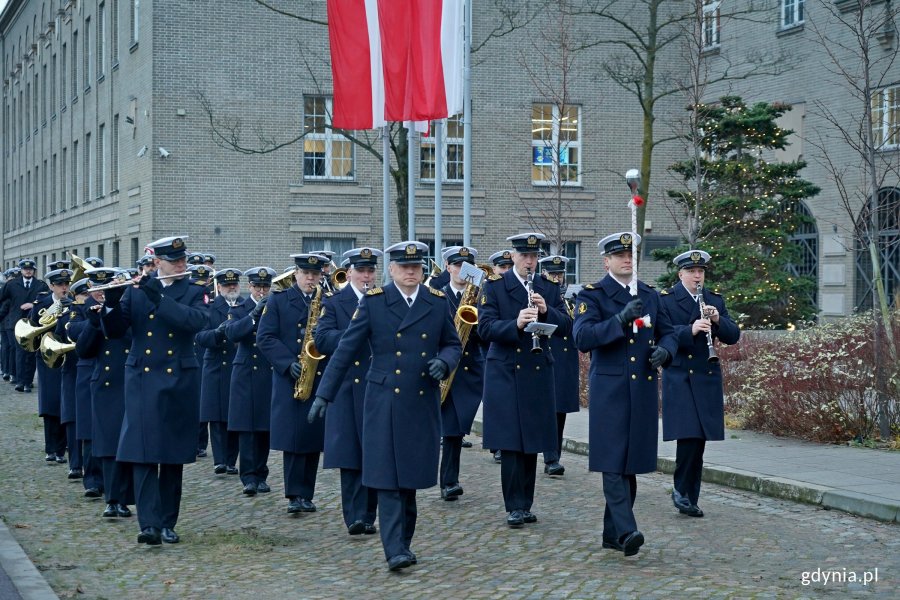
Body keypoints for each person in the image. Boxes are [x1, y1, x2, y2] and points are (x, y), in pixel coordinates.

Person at [310, 241, 461, 571]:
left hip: (420, 402)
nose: (410, 272)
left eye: (416, 267)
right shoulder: (375, 302)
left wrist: (444, 362)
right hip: (382, 401)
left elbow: (453, 344)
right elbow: (346, 349)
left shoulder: (436, 302)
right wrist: (324, 394)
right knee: (388, 479)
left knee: (409, 482)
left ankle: (403, 543)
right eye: (404, 267)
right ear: (391, 270)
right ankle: (394, 550)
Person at [572, 232, 678, 557]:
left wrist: (666, 351)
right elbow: (582, 337)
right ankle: (627, 529)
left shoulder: (649, 295)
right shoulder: (592, 295)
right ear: (607, 261)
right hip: (610, 389)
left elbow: (670, 333)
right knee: (612, 460)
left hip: (641, 389)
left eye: (631, 254)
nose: (627, 260)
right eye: (620, 255)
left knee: (630, 462)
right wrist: (618, 319)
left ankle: (611, 534)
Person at [101, 236, 208, 545]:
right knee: (143, 452)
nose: (182, 264)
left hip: (178, 380)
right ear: (157, 262)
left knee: (171, 455)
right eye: (175, 261)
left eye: (182, 260)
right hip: (142, 379)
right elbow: (116, 331)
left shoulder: (194, 290)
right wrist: (111, 303)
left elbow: (194, 322)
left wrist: (158, 296)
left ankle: (167, 522)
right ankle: (149, 525)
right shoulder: (135, 291)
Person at [478, 233, 572, 529]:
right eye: (524, 256)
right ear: (514, 256)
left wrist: (546, 311)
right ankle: (514, 506)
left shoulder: (548, 287)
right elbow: (484, 328)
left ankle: (526, 504)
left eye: (534, 257)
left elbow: (567, 326)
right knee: (510, 442)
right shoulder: (495, 286)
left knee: (532, 440)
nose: (530, 261)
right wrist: (515, 324)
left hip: (537, 370)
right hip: (505, 371)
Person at [659, 250, 741, 518]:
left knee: (699, 439)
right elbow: (660, 334)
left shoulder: (714, 299)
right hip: (680, 376)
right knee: (688, 435)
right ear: (680, 274)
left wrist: (717, 320)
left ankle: (689, 497)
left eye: (701, 272)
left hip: (706, 376)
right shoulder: (666, 300)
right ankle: (681, 491)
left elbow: (733, 336)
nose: (697, 276)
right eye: (692, 272)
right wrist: (690, 330)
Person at [314, 247, 382, 534]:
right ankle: (354, 516)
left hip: (375, 384)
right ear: (350, 272)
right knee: (350, 454)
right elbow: (321, 338)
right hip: (345, 386)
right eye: (361, 271)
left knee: (374, 452)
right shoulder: (335, 302)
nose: (366, 276)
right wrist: (355, 333)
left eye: (370, 271)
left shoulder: (381, 300)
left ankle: (369, 515)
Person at [256, 254, 329, 514]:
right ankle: (294, 494)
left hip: (317, 375)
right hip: (291, 377)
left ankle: (307, 494)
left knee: (312, 438)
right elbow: (265, 337)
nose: (310, 278)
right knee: (294, 439)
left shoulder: (326, 300)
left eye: (315, 274)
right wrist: (287, 363)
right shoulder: (278, 300)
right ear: (296, 274)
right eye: (306, 273)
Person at [74, 268, 134, 517]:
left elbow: (130, 337)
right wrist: (93, 323)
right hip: (105, 385)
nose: (101, 294)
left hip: (129, 382)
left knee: (128, 444)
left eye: (105, 289)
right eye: (97, 290)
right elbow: (83, 350)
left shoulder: (127, 309)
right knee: (107, 444)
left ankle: (125, 498)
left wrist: (110, 315)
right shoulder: (91, 313)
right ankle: (111, 498)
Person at [436, 246, 487, 501]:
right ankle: (448, 481)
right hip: (444, 370)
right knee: (450, 430)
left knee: (457, 428)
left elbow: (487, 335)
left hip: (469, 371)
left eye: (467, 267)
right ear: (448, 267)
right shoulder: (438, 296)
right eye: (457, 266)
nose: (462, 271)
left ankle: (448, 479)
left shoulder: (479, 298)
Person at [225, 267, 276, 496]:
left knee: (264, 428)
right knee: (246, 428)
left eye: (265, 286)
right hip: (245, 372)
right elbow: (232, 334)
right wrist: (253, 316)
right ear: (250, 287)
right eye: (258, 286)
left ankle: (261, 474)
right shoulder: (239, 309)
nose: (262, 290)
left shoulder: (274, 308)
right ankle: (248, 477)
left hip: (267, 370)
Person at [196, 268, 243, 477]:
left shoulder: (245, 306)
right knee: (217, 417)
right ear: (219, 287)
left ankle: (231, 460)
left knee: (235, 416)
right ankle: (220, 460)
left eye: (234, 284)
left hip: (238, 365)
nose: (231, 288)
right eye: (227, 285)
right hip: (216, 365)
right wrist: (217, 333)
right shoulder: (212, 308)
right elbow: (200, 337)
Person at [539, 255, 581, 477]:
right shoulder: (542, 295)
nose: (557, 278)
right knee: (549, 409)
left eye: (560, 274)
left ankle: (555, 455)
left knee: (560, 410)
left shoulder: (572, 297)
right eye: (552, 274)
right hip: (550, 354)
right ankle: (551, 458)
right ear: (544, 273)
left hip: (567, 359)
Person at [29, 268, 72, 464]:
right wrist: (53, 312)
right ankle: (50, 448)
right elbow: (33, 331)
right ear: (51, 286)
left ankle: (61, 449)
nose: (64, 288)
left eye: (66, 284)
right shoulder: (41, 305)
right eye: (60, 285)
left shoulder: (73, 304)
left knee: (64, 403)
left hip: (67, 358)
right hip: (47, 359)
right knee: (49, 403)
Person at [0, 259, 50, 392]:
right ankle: (20, 381)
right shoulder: (12, 284)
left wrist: (33, 305)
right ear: (21, 270)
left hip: (33, 323)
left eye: (30, 269)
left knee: (31, 353)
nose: (28, 271)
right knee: (20, 353)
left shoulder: (41, 285)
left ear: (34, 271)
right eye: (25, 269)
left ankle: (28, 382)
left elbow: (48, 301)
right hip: (16, 323)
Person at [484, 249, 515, 464]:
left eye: (508, 267)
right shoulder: (491, 287)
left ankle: (501, 445)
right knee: (497, 405)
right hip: (491, 352)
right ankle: (497, 443)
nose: (505, 271)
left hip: (505, 351)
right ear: (494, 269)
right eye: (502, 267)